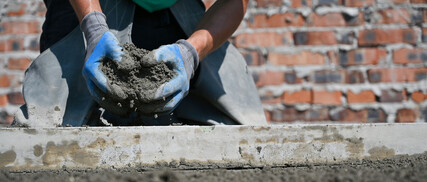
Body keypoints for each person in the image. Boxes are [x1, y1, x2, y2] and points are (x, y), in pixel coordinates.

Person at [13, 0, 266, 127]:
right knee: (43, 127)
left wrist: (191, 53)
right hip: (88, 9)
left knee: (245, 132)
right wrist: (93, 28)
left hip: (177, 10)